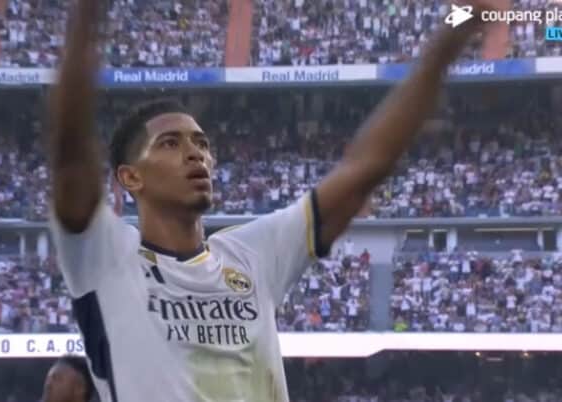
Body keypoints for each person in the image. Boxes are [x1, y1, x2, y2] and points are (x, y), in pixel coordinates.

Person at [47, 0, 495, 400]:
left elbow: (365, 168)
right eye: (169, 143)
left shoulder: (252, 254)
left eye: (202, 143)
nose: (195, 154)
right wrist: (87, 14)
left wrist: (448, 39)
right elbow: (69, 152)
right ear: (130, 177)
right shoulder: (107, 261)